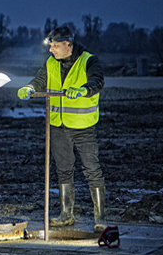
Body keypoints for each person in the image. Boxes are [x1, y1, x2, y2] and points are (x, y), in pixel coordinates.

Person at [17, 26, 107, 233]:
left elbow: (97, 81)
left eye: (56, 46)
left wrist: (84, 90)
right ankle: (66, 214)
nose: (51, 50)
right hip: (58, 125)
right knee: (63, 170)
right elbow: (40, 80)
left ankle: (100, 218)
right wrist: (30, 88)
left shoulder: (88, 60)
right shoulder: (51, 63)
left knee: (92, 169)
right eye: (50, 46)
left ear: (69, 44)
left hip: (83, 126)